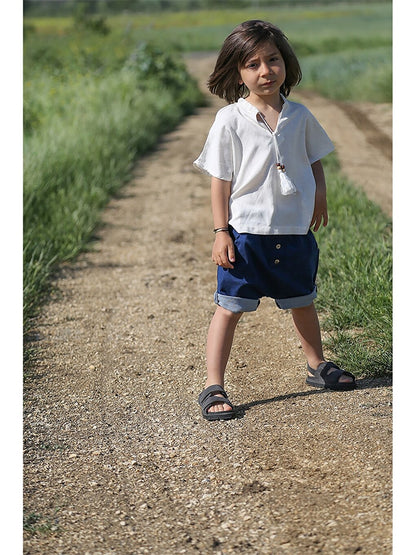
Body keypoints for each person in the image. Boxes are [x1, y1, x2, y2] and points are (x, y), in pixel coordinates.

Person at [193, 20, 356, 421]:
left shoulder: (299, 115)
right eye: (252, 64)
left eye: (273, 60)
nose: (265, 70)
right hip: (247, 235)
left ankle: (316, 365)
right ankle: (214, 384)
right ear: (237, 73)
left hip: (294, 233)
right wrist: (221, 232)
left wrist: (319, 193)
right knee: (229, 308)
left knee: (303, 301)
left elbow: (314, 158)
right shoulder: (230, 120)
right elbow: (221, 181)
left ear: (287, 64)